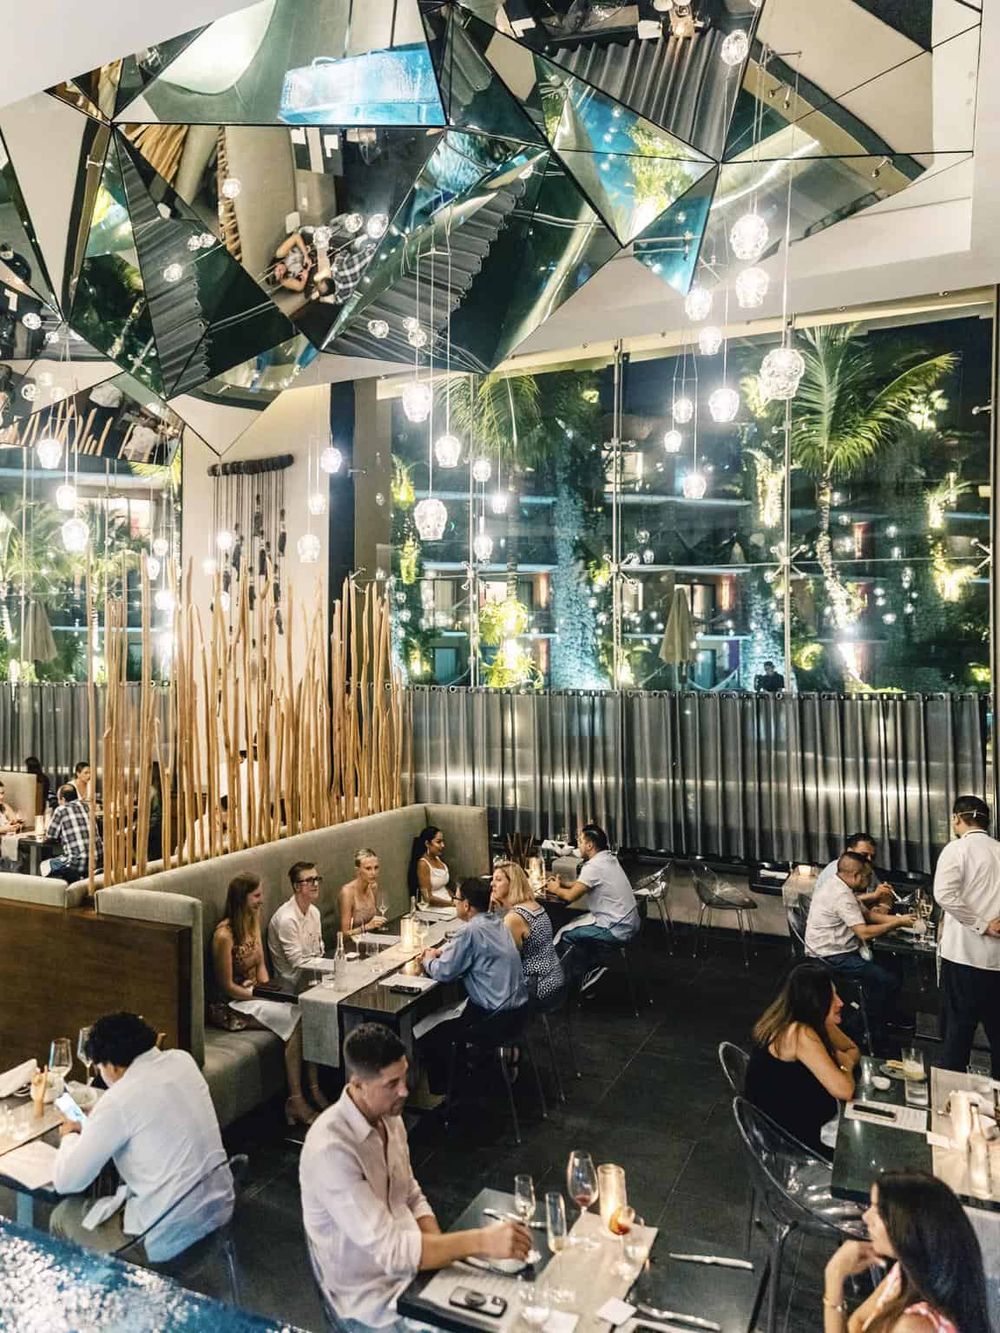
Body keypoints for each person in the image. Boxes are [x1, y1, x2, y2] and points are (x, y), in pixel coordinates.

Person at [301, 1023, 532, 1332]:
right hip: (373, 1302)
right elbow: (393, 1252)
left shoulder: (389, 1117)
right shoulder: (331, 1150)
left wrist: (438, 1263)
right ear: (358, 1084)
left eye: (404, 1076)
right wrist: (481, 1241)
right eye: (392, 1083)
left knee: (518, 1307)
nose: (404, 1091)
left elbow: (410, 1193)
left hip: (414, 1269)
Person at [50, 1012, 233, 1261]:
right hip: (218, 1215)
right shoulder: (182, 1060)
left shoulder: (119, 1099)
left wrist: (71, 1133)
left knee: (62, 1216)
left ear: (112, 1066)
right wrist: (100, 1119)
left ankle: (103, 1284)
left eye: (100, 1068)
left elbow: (66, 1181)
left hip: (171, 1239)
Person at [209, 872, 320, 1126]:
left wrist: (269, 990)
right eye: (257, 895)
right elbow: (225, 986)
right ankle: (295, 1100)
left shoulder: (252, 920)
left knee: (308, 1011)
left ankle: (314, 1089)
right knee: (297, 1021)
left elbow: (260, 966)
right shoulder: (224, 936)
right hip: (230, 1005)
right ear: (242, 898)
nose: (262, 900)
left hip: (255, 994)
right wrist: (256, 994)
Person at [823, 1171, 990, 1332]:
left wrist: (834, 1274)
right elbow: (858, 1322)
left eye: (879, 1211)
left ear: (908, 1228)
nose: (866, 1217)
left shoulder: (914, 1326)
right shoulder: (906, 1273)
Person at [419, 876, 529, 1091]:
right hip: (517, 1012)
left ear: (466, 905)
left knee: (429, 1031)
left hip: (494, 1018)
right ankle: (468, 1074)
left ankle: (449, 1092)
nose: (455, 902)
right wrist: (445, 950)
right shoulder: (498, 923)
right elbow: (473, 948)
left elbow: (445, 972)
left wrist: (428, 960)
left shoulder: (470, 931)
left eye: (456, 899)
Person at [745, 961, 859, 1158]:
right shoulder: (800, 1033)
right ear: (815, 1001)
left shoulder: (805, 1019)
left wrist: (842, 1060)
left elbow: (852, 1049)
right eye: (831, 997)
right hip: (790, 1142)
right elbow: (845, 1090)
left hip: (796, 1122)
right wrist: (845, 1064)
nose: (840, 1002)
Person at [804, 850, 915, 1028]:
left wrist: (904, 920)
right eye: (867, 876)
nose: (870, 881)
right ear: (856, 875)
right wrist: (897, 923)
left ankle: (884, 1014)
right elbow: (864, 932)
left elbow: (868, 915)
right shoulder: (841, 895)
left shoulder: (838, 885)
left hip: (835, 950)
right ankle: (859, 1026)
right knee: (887, 980)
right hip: (831, 956)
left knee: (891, 964)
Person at [933, 794, 1000, 1078]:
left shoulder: (957, 849)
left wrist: (981, 924)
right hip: (996, 961)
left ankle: (952, 1094)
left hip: (963, 957)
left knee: (957, 1032)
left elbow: (944, 894)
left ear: (956, 819)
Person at [546, 824, 640, 985]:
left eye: (580, 841)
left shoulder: (594, 867)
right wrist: (566, 884)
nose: (578, 845)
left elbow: (570, 896)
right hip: (629, 921)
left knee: (566, 936)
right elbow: (585, 883)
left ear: (589, 845)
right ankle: (590, 965)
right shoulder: (608, 858)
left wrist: (555, 888)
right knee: (573, 924)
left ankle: (576, 980)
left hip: (616, 929)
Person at [491, 860, 565, 1004]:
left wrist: (493, 911)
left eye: (498, 880)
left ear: (512, 884)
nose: (492, 884)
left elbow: (506, 961)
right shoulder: (533, 904)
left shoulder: (514, 918)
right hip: (554, 977)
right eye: (493, 879)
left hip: (537, 987)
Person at [268, 861, 325, 991]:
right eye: (309, 881)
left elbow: (319, 951)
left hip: (313, 976)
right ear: (297, 887)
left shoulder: (314, 912)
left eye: (317, 879)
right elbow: (298, 964)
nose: (316, 884)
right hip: (291, 985)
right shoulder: (287, 919)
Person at [816, 833, 894, 909]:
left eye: (872, 857)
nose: (869, 859)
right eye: (864, 855)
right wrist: (873, 895)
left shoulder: (866, 868)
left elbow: (883, 894)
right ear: (849, 851)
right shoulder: (836, 870)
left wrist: (883, 907)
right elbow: (838, 902)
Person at [45, 782, 102, 882]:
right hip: (97, 861)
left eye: (59, 799)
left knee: (44, 866)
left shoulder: (61, 810)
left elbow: (50, 835)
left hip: (76, 863)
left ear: (63, 799)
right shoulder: (86, 806)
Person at [340, 848, 388, 936]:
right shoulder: (347, 892)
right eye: (368, 868)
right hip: (354, 942)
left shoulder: (373, 886)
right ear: (357, 870)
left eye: (376, 868)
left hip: (371, 939)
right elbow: (344, 934)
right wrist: (366, 927)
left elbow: (374, 919)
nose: (373, 873)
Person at [407, 826, 452, 906]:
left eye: (442, 841)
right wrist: (451, 904)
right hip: (435, 907)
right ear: (427, 844)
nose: (443, 845)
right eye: (438, 842)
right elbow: (427, 897)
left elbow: (443, 887)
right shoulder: (423, 864)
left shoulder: (438, 859)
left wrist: (456, 899)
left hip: (448, 902)